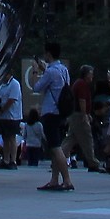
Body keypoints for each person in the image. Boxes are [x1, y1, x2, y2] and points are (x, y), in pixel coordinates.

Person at [32, 44, 73, 192]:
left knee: (55, 148)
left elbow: (36, 88)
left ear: (48, 54)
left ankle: (67, 180)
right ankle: (54, 179)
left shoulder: (50, 72)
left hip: (50, 112)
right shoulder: (63, 70)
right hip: (61, 112)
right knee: (57, 146)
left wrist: (36, 71)